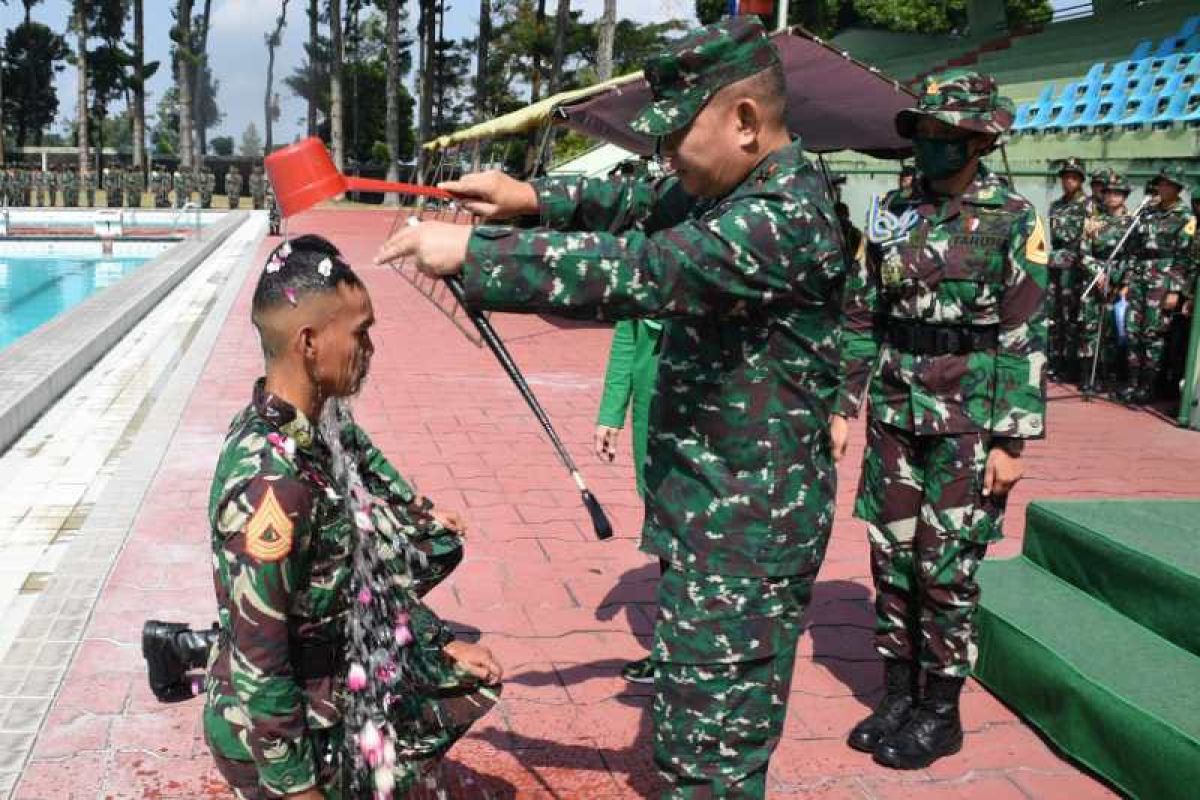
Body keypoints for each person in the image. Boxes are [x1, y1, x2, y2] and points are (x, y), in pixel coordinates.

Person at [377, 18, 846, 798]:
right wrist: (527, 197)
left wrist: (474, 254)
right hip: (715, 519)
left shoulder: (782, 218)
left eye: (676, 136)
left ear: (743, 121)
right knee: (691, 736)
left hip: (747, 537)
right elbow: (632, 202)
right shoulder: (736, 185)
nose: (666, 157)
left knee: (711, 766)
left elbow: (647, 267)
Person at [202, 235, 502, 800]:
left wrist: (434, 643)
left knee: (466, 681)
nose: (371, 347)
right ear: (309, 342)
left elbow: (366, 563)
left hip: (335, 665)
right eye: (360, 333)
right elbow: (259, 658)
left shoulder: (315, 420)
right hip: (276, 726)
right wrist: (296, 789)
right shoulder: (275, 482)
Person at [833, 69, 1048, 770]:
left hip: (971, 417)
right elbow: (862, 312)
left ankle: (941, 711)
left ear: (979, 139)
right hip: (896, 409)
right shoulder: (891, 209)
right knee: (892, 556)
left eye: (942, 133)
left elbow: (1025, 334)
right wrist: (844, 403)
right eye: (922, 129)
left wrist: (1012, 440)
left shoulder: (1014, 218)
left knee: (946, 567)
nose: (928, 143)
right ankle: (899, 693)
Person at [595, 316, 664, 685]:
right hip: (654, 409)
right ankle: (672, 652)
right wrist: (612, 411)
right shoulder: (644, 256)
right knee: (668, 536)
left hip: (720, 418)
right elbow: (627, 333)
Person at [1122, 164, 1195, 404]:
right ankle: (1132, 382)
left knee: (1154, 332)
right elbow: (1132, 247)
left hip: (1163, 279)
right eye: (1161, 183)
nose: (1163, 188)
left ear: (1177, 188)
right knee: (1133, 329)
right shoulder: (1147, 212)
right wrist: (1128, 278)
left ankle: (1148, 386)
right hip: (1140, 275)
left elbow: (1185, 257)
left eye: (1169, 184)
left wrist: (1175, 289)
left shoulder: (1184, 216)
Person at [1078, 171, 1134, 396]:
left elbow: (1134, 256)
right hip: (1095, 280)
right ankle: (1087, 377)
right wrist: (1097, 273)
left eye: (1117, 193)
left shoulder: (1131, 223)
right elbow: (1083, 252)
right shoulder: (1094, 221)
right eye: (1108, 192)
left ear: (1124, 196)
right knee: (1089, 327)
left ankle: (1107, 375)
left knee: (1111, 331)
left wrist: (1122, 282)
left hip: (1117, 282)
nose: (1111, 197)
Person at [1047, 157, 1089, 381]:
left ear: (1081, 180)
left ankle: (1071, 364)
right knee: (1055, 316)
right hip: (1056, 262)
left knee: (1072, 316)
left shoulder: (1089, 205)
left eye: (1073, 177)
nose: (1068, 181)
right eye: (1065, 177)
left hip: (1074, 265)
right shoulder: (1056, 205)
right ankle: (1056, 360)